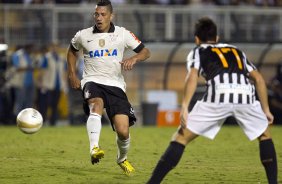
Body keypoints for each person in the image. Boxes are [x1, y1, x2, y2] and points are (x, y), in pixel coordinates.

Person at [147, 17, 278, 184]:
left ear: (196, 39)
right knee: (265, 135)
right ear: (217, 38)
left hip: (219, 93)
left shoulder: (197, 51)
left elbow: (192, 77)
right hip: (245, 94)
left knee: (181, 137)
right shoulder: (236, 50)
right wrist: (266, 110)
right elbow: (259, 79)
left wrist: (185, 107)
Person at [66, 0, 150, 176]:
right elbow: (72, 51)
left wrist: (134, 59)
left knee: (123, 130)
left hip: (115, 85)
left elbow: (145, 51)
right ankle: (94, 148)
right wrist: (72, 74)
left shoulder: (123, 34)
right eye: (96, 14)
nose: (99, 17)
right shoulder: (83, 35)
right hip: (92, 81)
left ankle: (122, 159)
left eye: (103, 14)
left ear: (111, 16)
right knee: (95, 104)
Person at [37, 43, 67, 126]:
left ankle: (52, 122)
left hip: (58, 86)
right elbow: (41, 71)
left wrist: (64, 85)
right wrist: (40, 83)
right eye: (53, 47)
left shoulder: (61, 58)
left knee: (55, 105)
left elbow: (64, 72)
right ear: (50, 48)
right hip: (47, 86)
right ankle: (42, 122)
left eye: (56, 47)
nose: (55, 48)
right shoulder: (47, 58)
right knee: (45, 105)